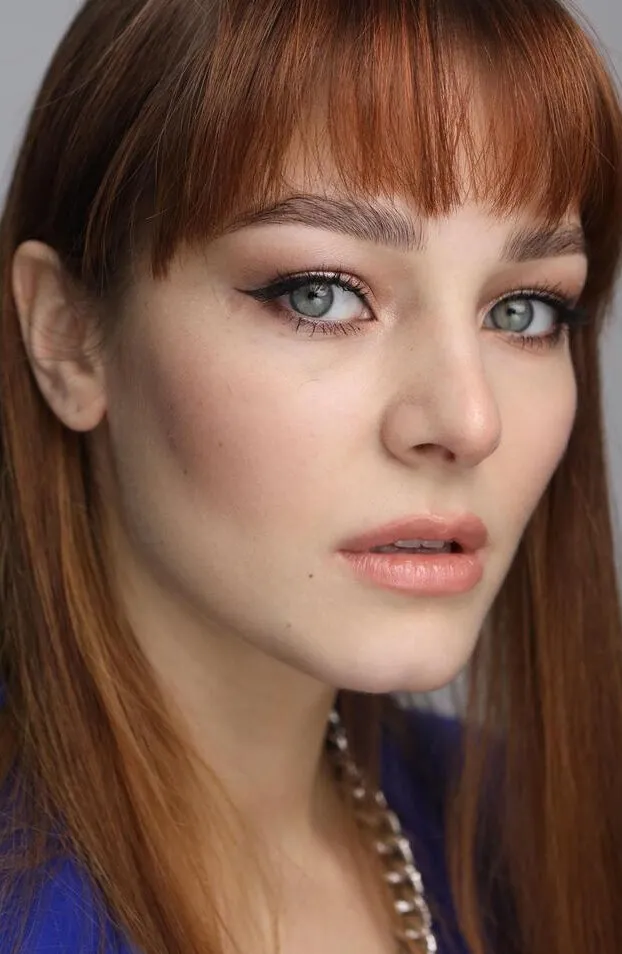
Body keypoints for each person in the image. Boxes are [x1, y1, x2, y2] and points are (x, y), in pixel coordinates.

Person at [1, 0, 622, 951]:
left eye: (525, 311)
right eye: (321, 294)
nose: (469, 423)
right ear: (68, 338)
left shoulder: (529, 837)